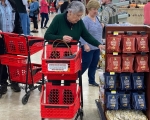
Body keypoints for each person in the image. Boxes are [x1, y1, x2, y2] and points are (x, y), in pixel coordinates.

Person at [44, 1, 105, 86]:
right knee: (55, 82)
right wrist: (61, 38)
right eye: (77, 15)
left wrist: (98, 44)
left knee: (70, 82)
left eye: (80, 16)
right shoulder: (58, 19)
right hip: (57, 56)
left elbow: (86, 35)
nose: (79, 18)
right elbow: (47, 35)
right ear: (69, 12)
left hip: (72, 57)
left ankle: (68, 97)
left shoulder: (79, 22)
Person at [0, 0, 23, 94]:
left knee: (13, 60)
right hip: (1, 38)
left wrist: (20, 34)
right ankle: (3, 83)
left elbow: (17, 20)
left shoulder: (12, 3)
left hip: (12, 38)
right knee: (2, 61)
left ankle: (14, 81)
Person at [80, 0, 103, 86]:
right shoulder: (85, 20)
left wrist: (102, 25)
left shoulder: (97, 18)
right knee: (86, 64)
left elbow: (98, 31)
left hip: (97, 46)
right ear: (89, 9)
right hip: (88, 47)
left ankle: (92, 80)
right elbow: (82, 34)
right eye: (94, 9)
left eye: (97, 9)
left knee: (94, 64)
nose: (96, 11)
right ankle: (75, 77)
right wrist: (85, 44)